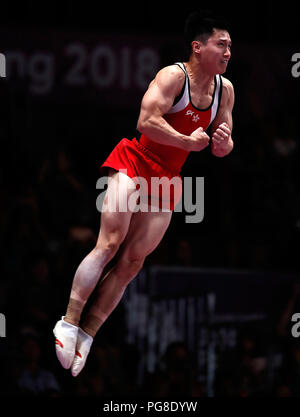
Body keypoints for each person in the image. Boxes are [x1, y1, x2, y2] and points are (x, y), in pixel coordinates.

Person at [53, 10, 235, 377]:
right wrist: (188, 140)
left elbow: (222, 145)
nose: (229, 52)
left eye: (231, 46)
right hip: (136, 161)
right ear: (198, 48)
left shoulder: (225, 90)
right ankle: (69, 322)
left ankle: (87, 336)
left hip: (169, 177)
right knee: (110, 244)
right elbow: (145, 122)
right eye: (222, 44)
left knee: (133, 262)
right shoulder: (173, 76)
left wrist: (223, 142)